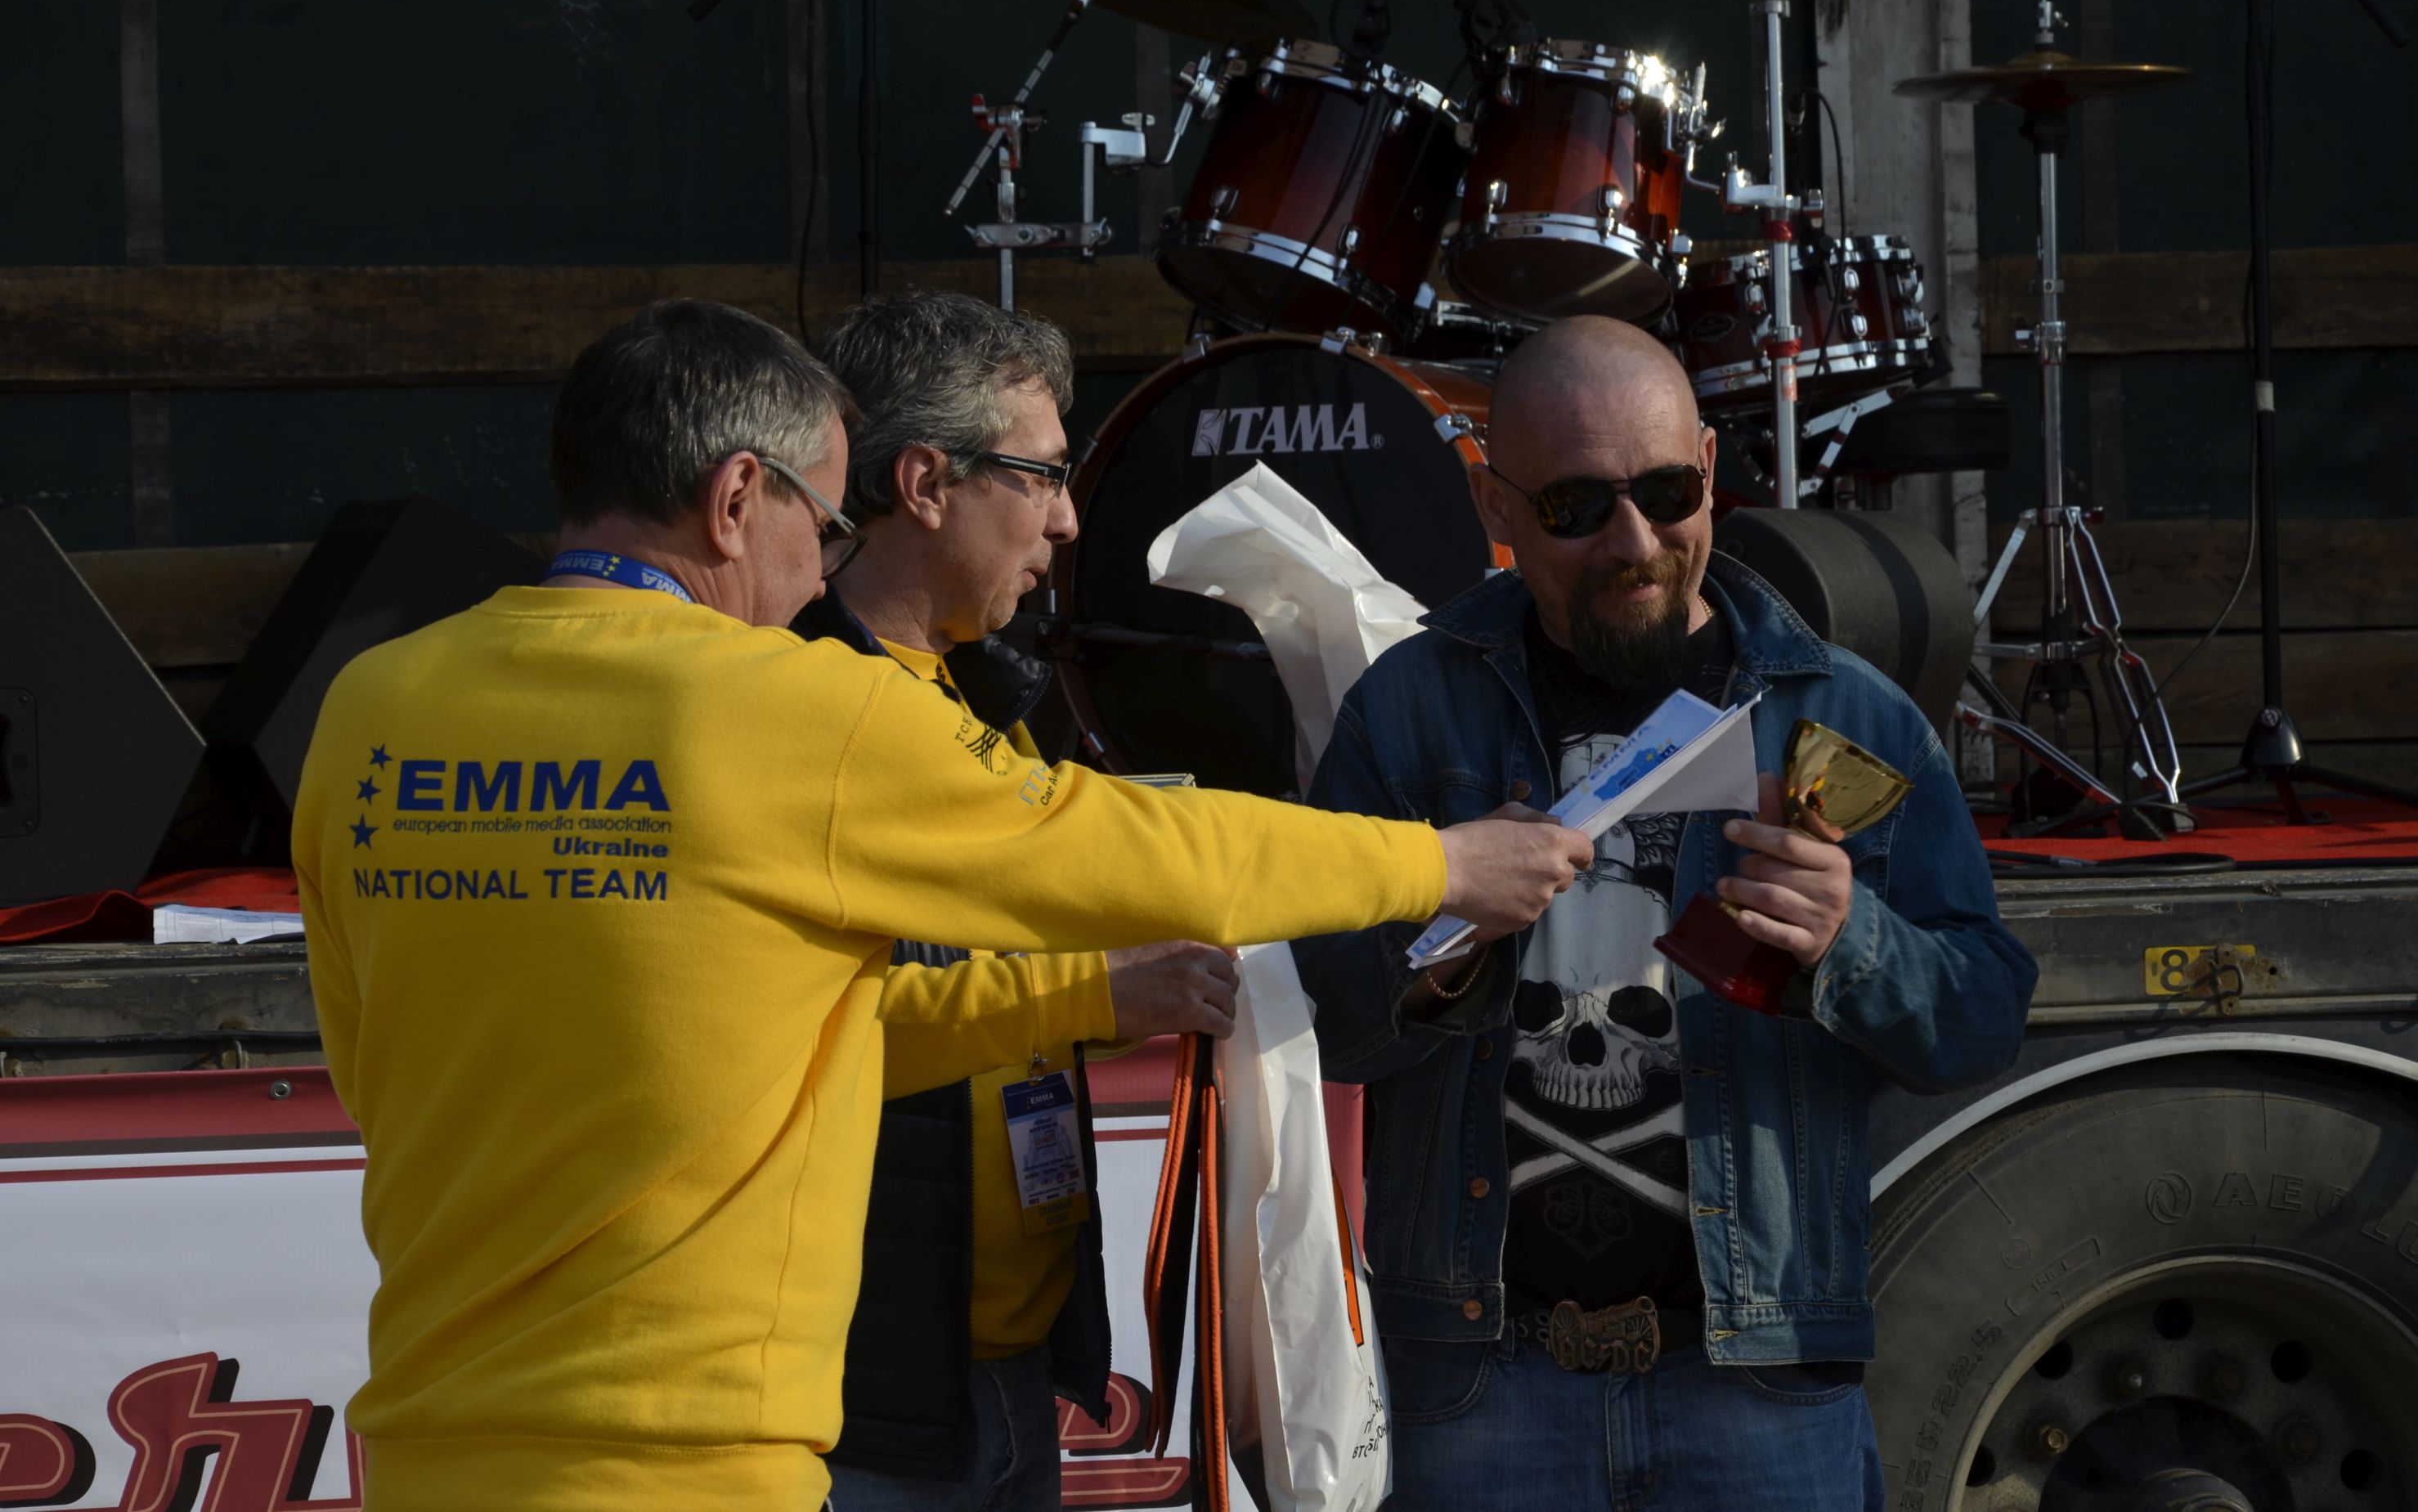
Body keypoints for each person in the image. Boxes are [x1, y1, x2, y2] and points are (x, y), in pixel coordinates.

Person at [290, 298, 1593, 1512]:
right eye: (819, 518)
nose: (821, 571)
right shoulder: (784, 707)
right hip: (686, 1459)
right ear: (735, 498)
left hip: (427, 1445)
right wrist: (1436, 864)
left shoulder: (372, 707)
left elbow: (373, 1063)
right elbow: (1132, 848)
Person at [1292, 316, 2038, 1511]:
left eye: (1666, 492)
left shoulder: (1843, 713)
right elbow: (1320, 1019)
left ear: (1708, 467)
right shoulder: (1412, 711)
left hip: (1760, 1378)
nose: (1635, 541)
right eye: (1578, 506)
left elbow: (1983, 1019)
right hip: (1484, 1378)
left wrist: (1854, 943)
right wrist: (1443, 935)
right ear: (1497, 504)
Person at [790, 289, 1198, 1510]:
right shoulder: (790, 711)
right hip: (868, 1403)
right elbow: (818, 1030)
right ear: (924, 483)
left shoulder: (982, 690)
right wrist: (1095, 990)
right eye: (1043, 475)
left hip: (1004, 1375)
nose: (1067, 517)